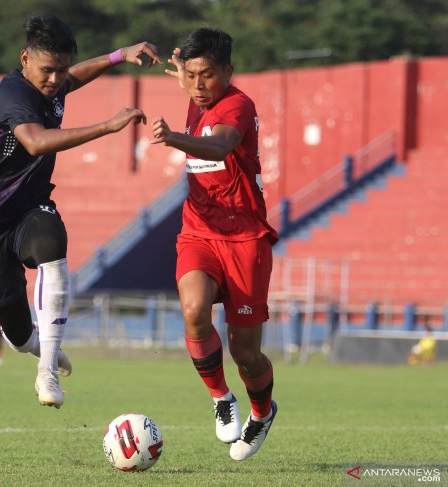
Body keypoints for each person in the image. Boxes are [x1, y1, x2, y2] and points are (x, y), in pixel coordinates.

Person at [0, 14, 160, 408]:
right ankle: (38, 346)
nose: (54, 79)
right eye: (47, 70)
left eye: (60, 69)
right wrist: (107, 126)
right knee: (17, 337)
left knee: (52, 244)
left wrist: (118, 55)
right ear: (25, 58)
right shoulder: (13, 94)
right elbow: (33, 141)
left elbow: (74, 78)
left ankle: (47, 372)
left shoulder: (54, 81)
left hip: (29, 209)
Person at [151, 28, 279, 461]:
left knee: (246, 352)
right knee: (193, 311)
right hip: (199, 231)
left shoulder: (238, 105)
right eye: (191, 76)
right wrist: (183, 75)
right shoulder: (197, 94)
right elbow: (192, 84)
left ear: (229, 71)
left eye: (207, 75)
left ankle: (261, 413)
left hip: (245, 239)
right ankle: (221, 397)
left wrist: (172, 138)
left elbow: (221, 146)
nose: (198, 85)